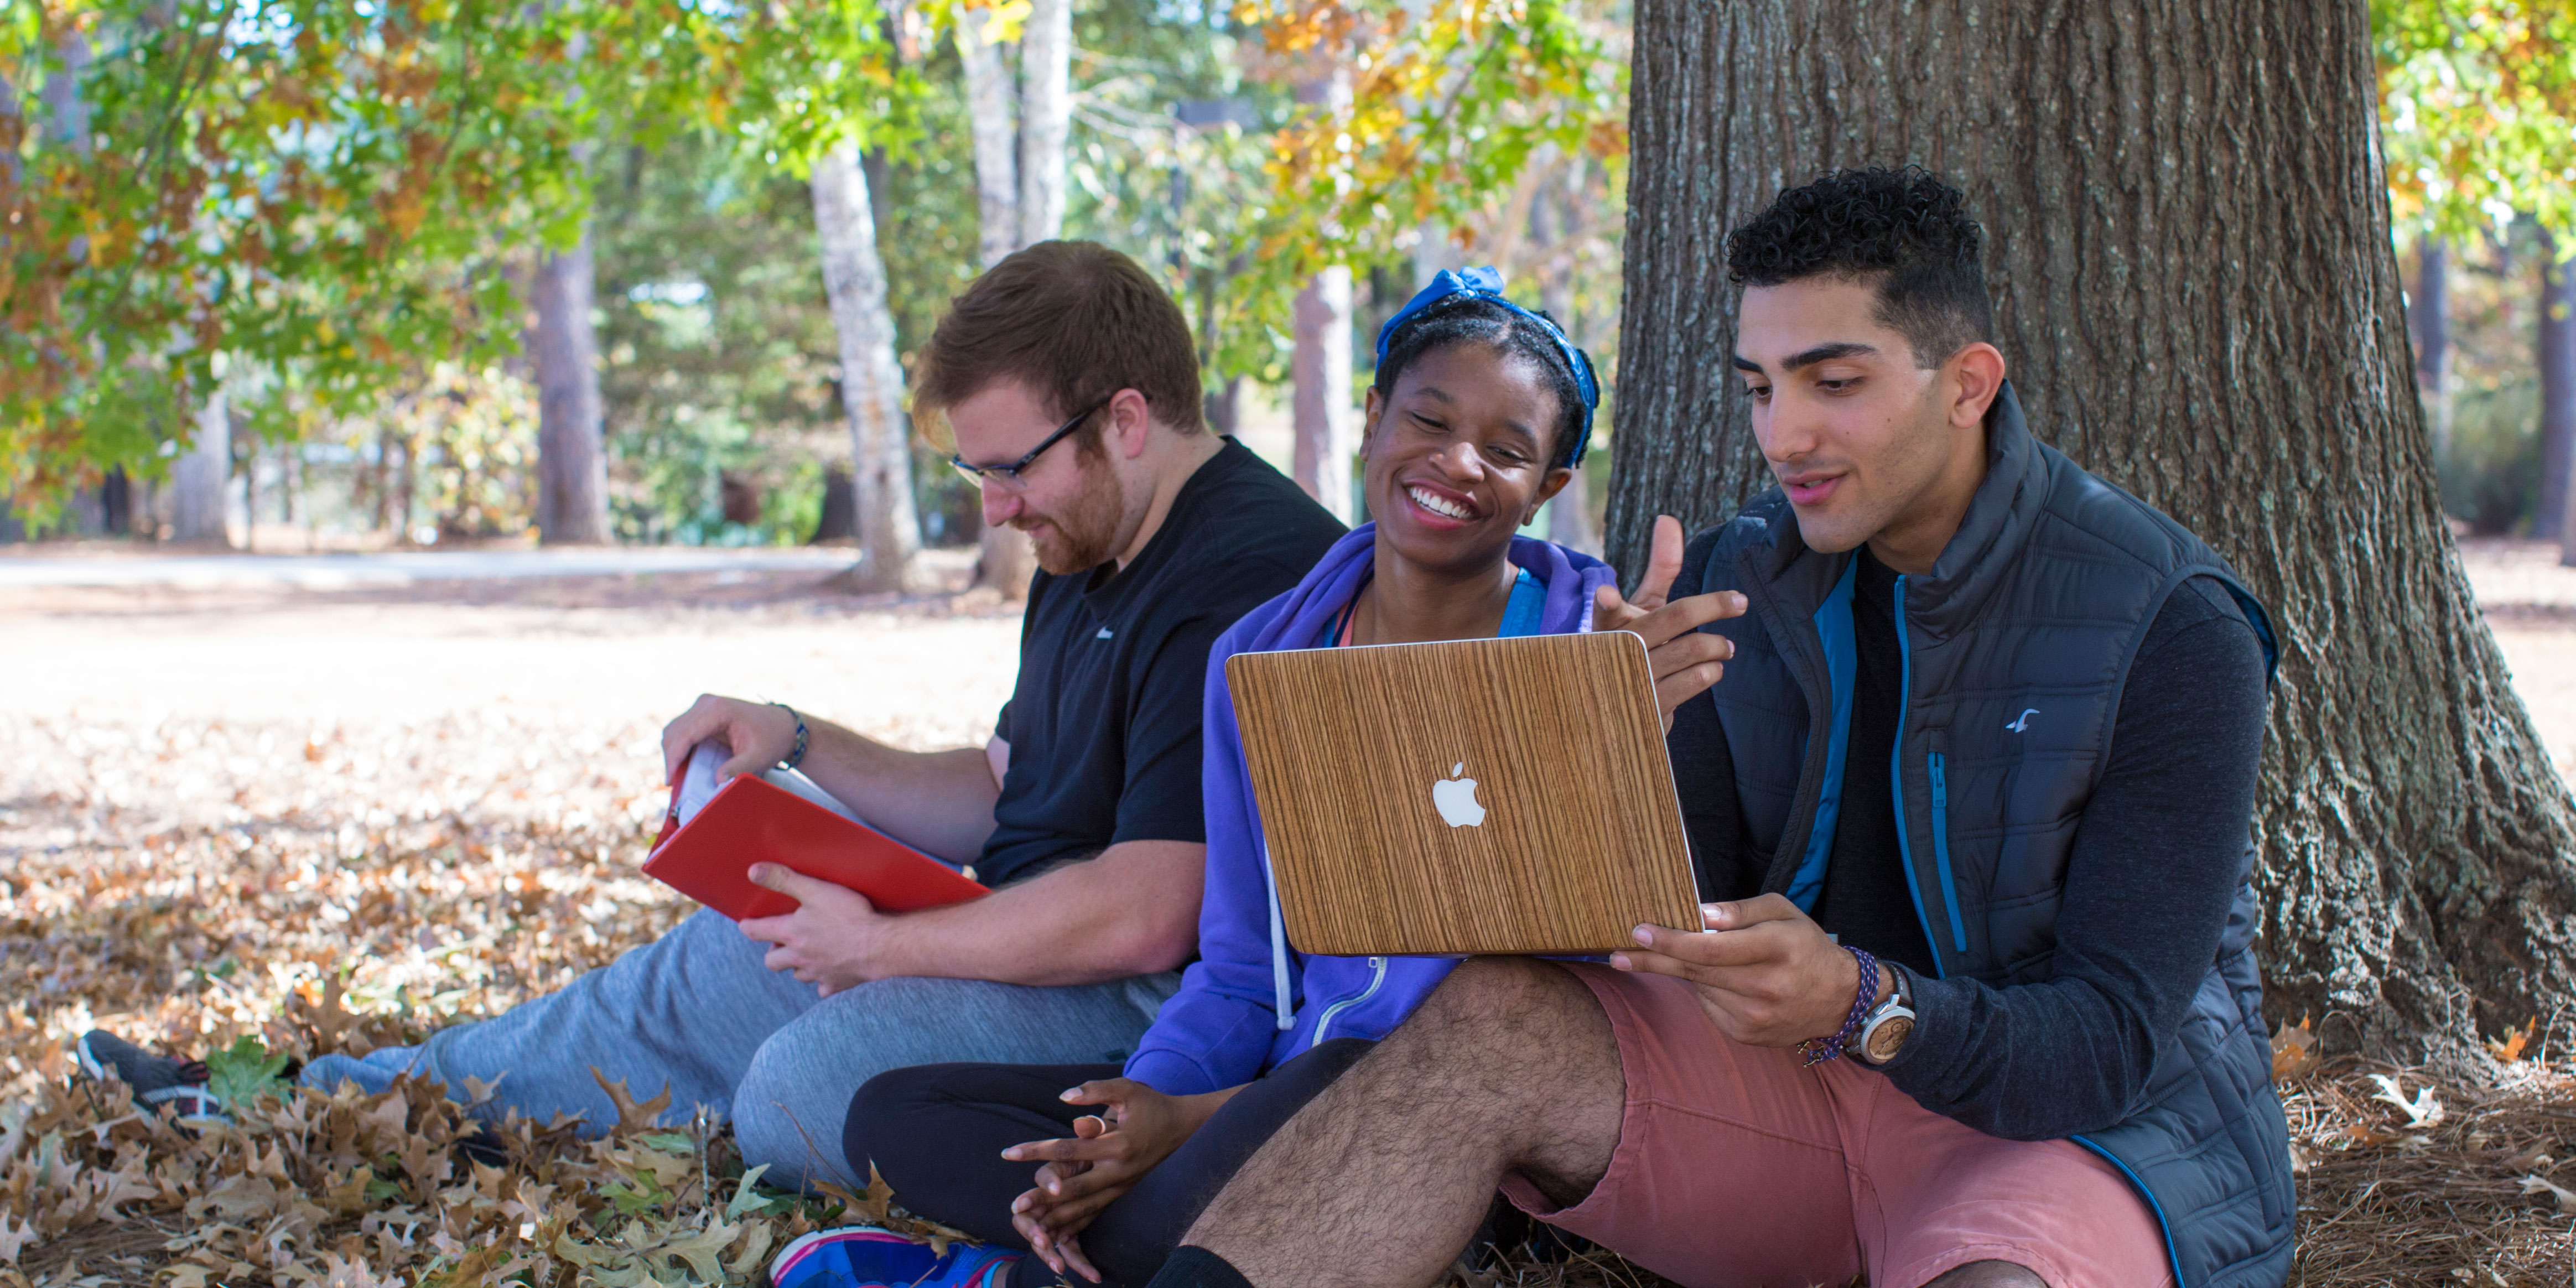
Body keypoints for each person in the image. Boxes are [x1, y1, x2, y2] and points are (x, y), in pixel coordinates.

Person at [1128, 168, 2295, 1288]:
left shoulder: (2169, 622)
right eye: (1760, 386)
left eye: (1834, 384)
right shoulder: (1748, 575)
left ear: (1969, 383)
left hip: (2070, 1143)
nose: (1783, 436)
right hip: (1784, 1096)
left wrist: (1862, 1001)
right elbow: (1651, 926)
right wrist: (1599, 744)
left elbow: (2107, 1046)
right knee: (1488, 1018)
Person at [71, 241, 1347, 1191]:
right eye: (975, 476)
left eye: (1009, 470)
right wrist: (794, 742)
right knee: (705, 970)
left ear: (1125, 419)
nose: (996, 511)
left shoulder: (1247, 569)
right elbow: (1011, 790)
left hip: (1147, 1005)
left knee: (793, 1089)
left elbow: (1152, 905)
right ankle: (297, 1102)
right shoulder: (1092, 535)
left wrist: (887, 954)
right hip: (1023, 935)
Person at [758, 271, 1740, 1288]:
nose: (1457, 462)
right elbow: (1234, 970)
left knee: (1306, 1118)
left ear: (1548, 485)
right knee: (900, 1112)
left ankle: (1030, 1272)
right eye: (1429, 419)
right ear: (1371, 420)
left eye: (1506, 450)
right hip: (1261, 1081)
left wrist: (1610, 740)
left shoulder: (1590, 657)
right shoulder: (1263, 655)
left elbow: (1588, 980)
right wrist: (1145, 1108)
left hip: (1439, 1115)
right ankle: (1104, 1248)